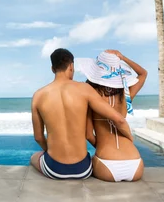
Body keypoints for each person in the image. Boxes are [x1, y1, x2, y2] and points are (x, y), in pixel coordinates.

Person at [30, 48, 134, 180]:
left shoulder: (38, 95)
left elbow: (38, 137)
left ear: (52, 69)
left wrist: (50, 153)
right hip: (83, 170)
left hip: (54, 170)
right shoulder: (84, 89)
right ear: (71, 66)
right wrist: (130, 139)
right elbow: (119, 120)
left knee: (34, 157)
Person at [76, 49, 147, 182]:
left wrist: (103, 147)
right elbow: (143, 74)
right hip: (135, 165)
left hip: (107, 165)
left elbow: (88, 135)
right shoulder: (126, 96)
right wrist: (123, 57)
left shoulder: (91, 98)